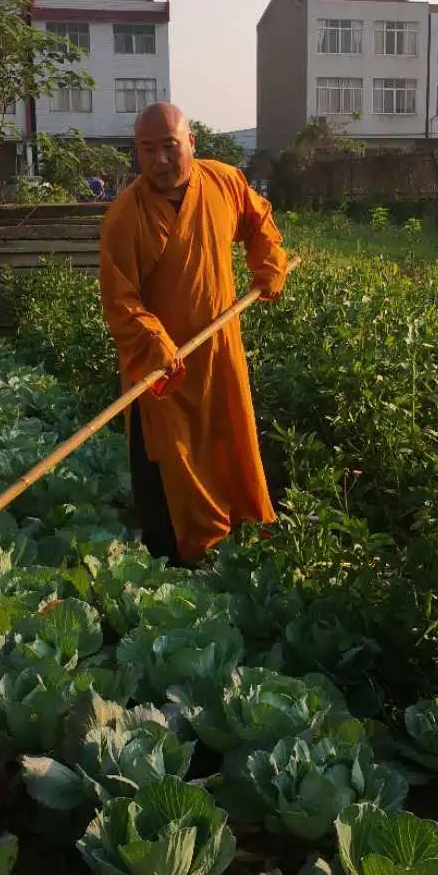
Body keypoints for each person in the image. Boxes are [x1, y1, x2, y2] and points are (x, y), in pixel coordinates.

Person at [99, 102, 288, 564]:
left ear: (191, 143)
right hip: (164, 370)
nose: (160, 160)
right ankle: (178, 559)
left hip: (220, 349)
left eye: (170, 147)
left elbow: (258, 220)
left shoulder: (224, 181)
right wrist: (156, 343)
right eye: (148, 150)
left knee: (229, 444)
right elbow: (120, 299)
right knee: (171, 464)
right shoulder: (126, 215)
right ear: (136, 153)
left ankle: (240, 537)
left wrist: (267, 264)